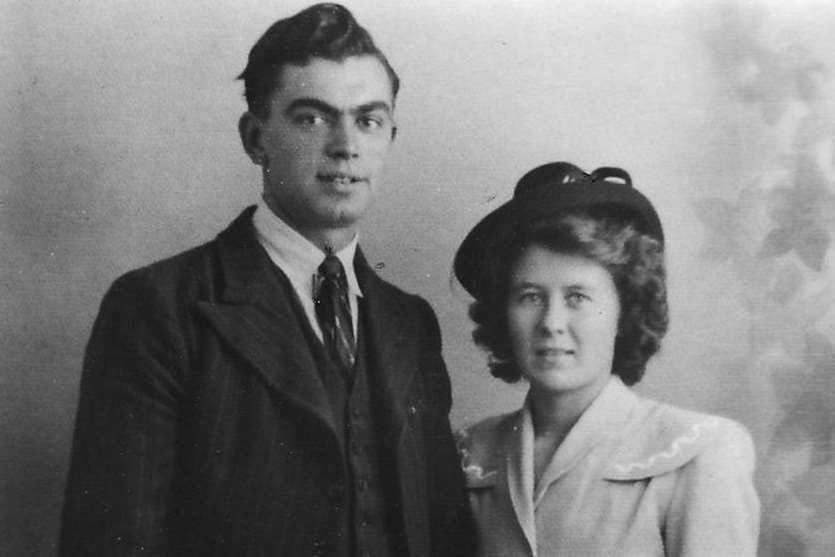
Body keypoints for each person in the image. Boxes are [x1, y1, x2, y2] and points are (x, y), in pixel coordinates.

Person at [59, 4, 474, 556]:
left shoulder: (411, 324)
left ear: (390, 136)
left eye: (368, 119)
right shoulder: (161, 307)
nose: (346, 145)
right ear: (255, 138)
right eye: (312, 118)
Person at [452, 162, 759, 556]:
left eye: (578, 298)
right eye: (530, 296)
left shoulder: (698, 454)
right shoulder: (469, 456)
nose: (552, 322)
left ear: (623, 312)